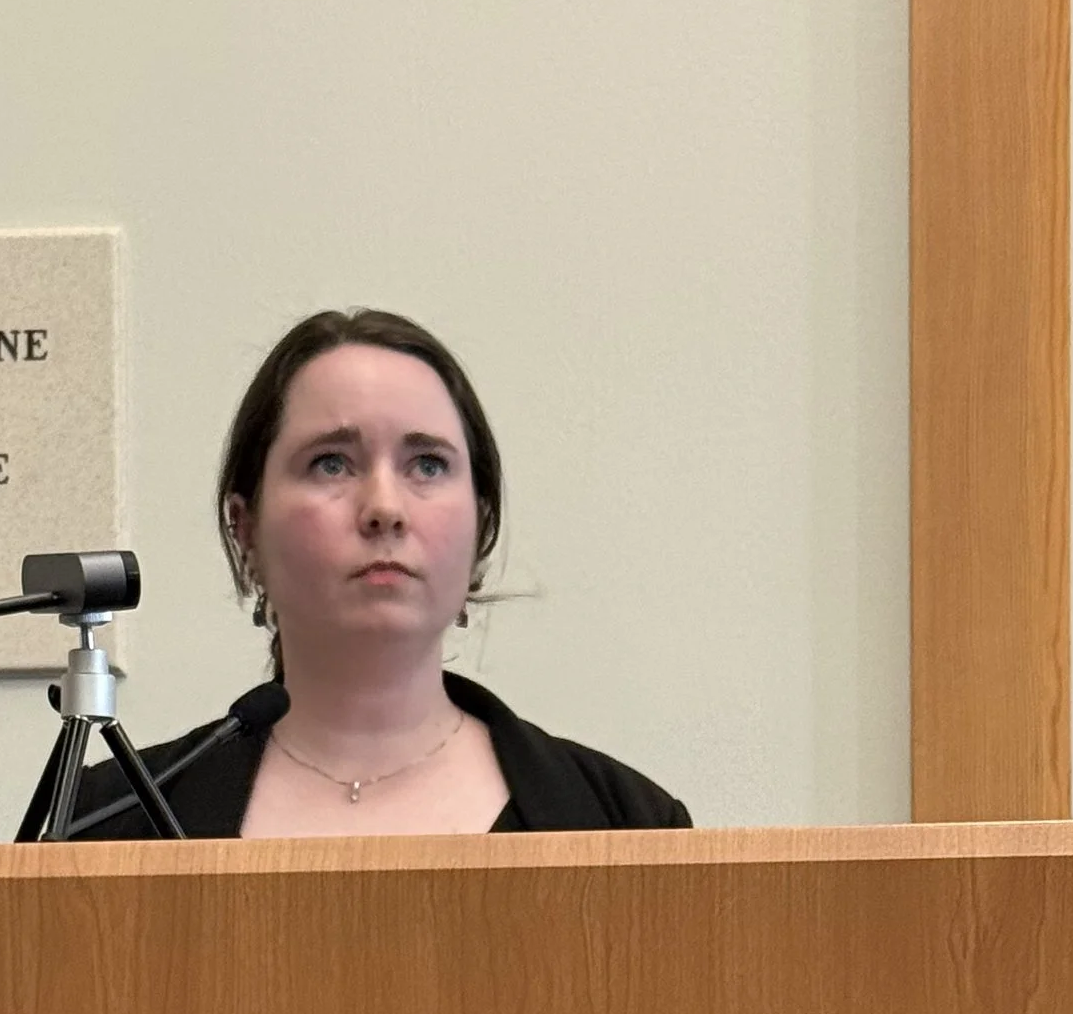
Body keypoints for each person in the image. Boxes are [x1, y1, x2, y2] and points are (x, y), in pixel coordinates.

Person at [72, 308, 691, 836]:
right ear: (246, 527)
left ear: (480, 525)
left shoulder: (626, 825)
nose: (385, 510)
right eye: (331, 464)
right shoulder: (106, 823)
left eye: (426, 465)